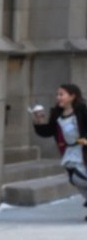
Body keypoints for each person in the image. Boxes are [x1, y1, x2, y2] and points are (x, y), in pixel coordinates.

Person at [32, 82, 87, 219]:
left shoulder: (82, 110)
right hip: (70, 151)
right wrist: (39, 121)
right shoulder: (57, 113)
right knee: (74, 179)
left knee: (80, 177)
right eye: (57, 94)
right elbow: (48, 131)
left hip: (83, 149)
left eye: (61, 94)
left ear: (72, 96)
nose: (58, 97)